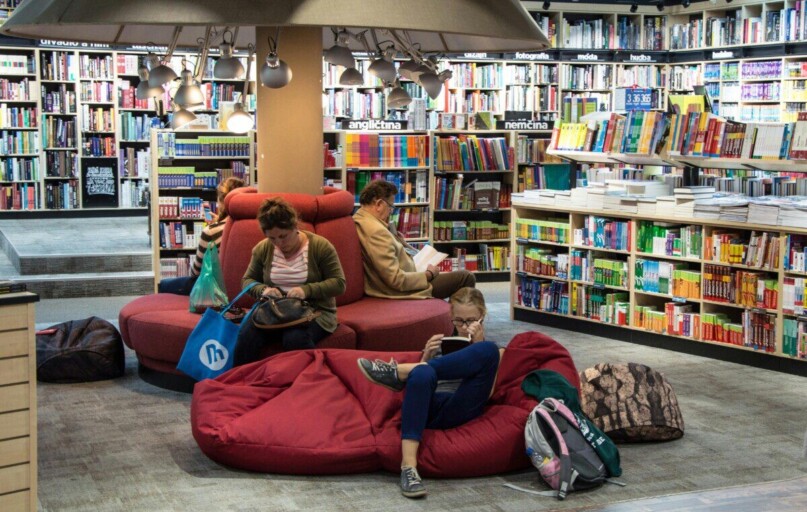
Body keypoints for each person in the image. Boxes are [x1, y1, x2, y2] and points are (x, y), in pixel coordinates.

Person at [356, 287, 502, 498]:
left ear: (483, 316)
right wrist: (425, 358)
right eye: (458, 321)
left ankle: (399, 372)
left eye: (471, 320)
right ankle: (409, 468)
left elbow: (487, 394)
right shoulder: (442, 345)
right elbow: (420, 390)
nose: (464, 326)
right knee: (423, 372)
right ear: (451, 317)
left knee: (488, 350)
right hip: (431, 408)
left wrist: (477, 344)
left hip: (461, 404)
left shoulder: (493, 352)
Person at [233, 197, 346, 366]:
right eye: (272, 238)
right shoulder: (263, 248)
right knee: (246, 336)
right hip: (273, 310)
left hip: (313, 311)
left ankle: (306, 386)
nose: (279, 243)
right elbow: (247, 281)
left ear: (295, 227)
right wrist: (263, 290)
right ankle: (240, 383)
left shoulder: (320, 246)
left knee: (294, 338)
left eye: (283, 236)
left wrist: (306, 291)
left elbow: (339, 283)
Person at [353, 180, 475, 299]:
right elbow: (396, 280)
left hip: (410, 276)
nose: (391, 212)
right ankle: (459, 317)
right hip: (405, 290)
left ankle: (454, 316)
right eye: (391, 207)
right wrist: (428, 274)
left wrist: (402, 243)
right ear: (379, 204)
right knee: (466, 277)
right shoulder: (377, 232)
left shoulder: (361, 218)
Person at [157, 176, 245, 294]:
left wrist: (215, 225)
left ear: (221, 201)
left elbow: (195, 272)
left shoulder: (211, 231)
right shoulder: (252, 227)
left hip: (215, 288)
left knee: (164, 285)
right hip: (242, 286)